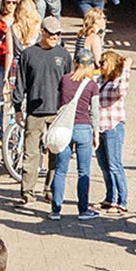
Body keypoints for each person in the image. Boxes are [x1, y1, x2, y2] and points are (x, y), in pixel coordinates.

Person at [12, 15, 72, 208]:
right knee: (31, 154)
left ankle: (51, 189)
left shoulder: (63, 55)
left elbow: (69, 83)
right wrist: (17, 108)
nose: (55, 36)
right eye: (51, 33)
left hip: (57, 112)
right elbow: (20, 83)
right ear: (42, 32)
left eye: (57, 33)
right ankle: (28, 193)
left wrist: (69, 109)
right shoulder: (29, 54)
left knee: (56, 152)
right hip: (34, 112)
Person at [50, 64, 99, 219]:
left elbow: (59, 101)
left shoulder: (65, 79)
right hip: (83, 128)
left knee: (60, 170)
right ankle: (83, 210)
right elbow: (95, 111)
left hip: (65, 127)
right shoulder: (92, 85)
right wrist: (96, 133)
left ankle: (55, 210)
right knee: (83, 171)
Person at [94, 50, 133, 215]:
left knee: (114, 164)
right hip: (99, 126)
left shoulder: (118, 80)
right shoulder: (99, 80)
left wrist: (126, 68)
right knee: (103, 164)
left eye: (103, 62)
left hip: (113, 126)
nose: (100, 65)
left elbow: (121, 91)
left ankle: (122, 201)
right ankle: (110, 197)